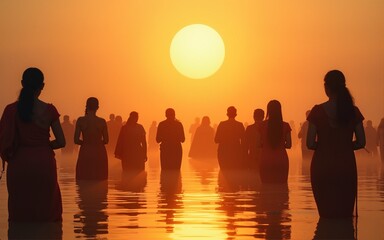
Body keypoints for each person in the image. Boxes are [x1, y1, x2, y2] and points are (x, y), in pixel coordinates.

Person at [0, 67, 65, 221]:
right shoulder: (49, 110)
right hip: (44, 163)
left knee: (20, 215)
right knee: (47, 213)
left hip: (19, 164)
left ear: (22, 83)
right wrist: (45, 146)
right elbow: (61, 141)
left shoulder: (11, 110)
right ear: (42, 86)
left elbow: (3, 140)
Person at [306, 70, 365, 218]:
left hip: (322, 166)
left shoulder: (317, 111)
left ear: (327, 88)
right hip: (346, 166)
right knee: (345, 216)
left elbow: (310, 143)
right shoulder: (353, 111)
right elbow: (361, 142)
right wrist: (344, 145)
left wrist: (326, 145)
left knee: (326, 216)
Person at [75, 97, 109, 180]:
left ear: (86, 106)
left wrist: (86, 143)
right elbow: (106, 140)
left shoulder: (80, 120)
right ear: (97, 107)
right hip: (99, 152)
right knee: (99, 178)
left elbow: (76, 140)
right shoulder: (102, 121)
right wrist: (97, 143)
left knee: (84, 177)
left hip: (85, 151)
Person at [258, 100, 291, 183]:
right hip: (281, 160)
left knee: (266, 187)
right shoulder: (285, 125)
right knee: (281, 188)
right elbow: (289, 145)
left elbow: (257, 144)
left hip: (266, 160)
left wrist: (265, 144)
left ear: (268, 110)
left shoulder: (261, 125)